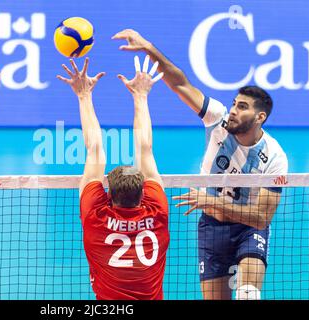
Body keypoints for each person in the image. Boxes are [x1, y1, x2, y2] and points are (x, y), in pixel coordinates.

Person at [112, 29, 288, 300]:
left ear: (259, 117)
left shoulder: (275, 157)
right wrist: (149, 47)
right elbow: (180, 83)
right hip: (212, 227)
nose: (233, 110)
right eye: (234, 104)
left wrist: (212, 202)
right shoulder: (217, 120)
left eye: (242, 107)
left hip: (248, 229)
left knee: (248, 293)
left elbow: (262, 218)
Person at [57, 56, 169, 300]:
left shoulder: (95, 217)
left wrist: (83, 95)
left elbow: (94, 150)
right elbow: (145, 150)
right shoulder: (157, 212)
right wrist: (141, 96)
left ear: (108, 195)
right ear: (143, 194)